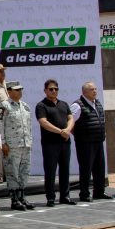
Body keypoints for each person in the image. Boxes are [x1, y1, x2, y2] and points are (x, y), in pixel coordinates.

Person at [36, 79, 75, 207]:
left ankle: (65, 196)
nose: (54, 91)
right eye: (51, 89)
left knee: (65, 170)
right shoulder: (41, 105)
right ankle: (51, 198)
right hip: (50, 144)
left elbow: (71, 118)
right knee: (51, 171)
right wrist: (60, 132)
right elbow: (43, 122)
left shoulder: (64, 104)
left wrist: (68, 130)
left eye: (56, 89)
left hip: (65, 142)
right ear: (45, 90)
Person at [70, 82, 112, 202]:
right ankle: (84, 193)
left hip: (98, 140)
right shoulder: (77, 105)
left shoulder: (97, 103)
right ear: (84, 92)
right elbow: (70, 122)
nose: (95, 91)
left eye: (95, 89)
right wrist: (78, 135)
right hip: (85, 142)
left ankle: (99, 192)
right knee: (86, 168)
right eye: (91, 89)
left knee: (99, 168)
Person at [0, 81, 34, 211]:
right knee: (12, 172)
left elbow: (29, 126)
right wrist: (3, 143)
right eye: (17, 90)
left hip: (25, 145)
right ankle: (14, 200)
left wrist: (30, 141)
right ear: (9, 91)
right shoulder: (4, 106)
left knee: (24, 172)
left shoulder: (25, 106)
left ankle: (22, 197)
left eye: (20, 90)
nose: (20, 92)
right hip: (12, 146)